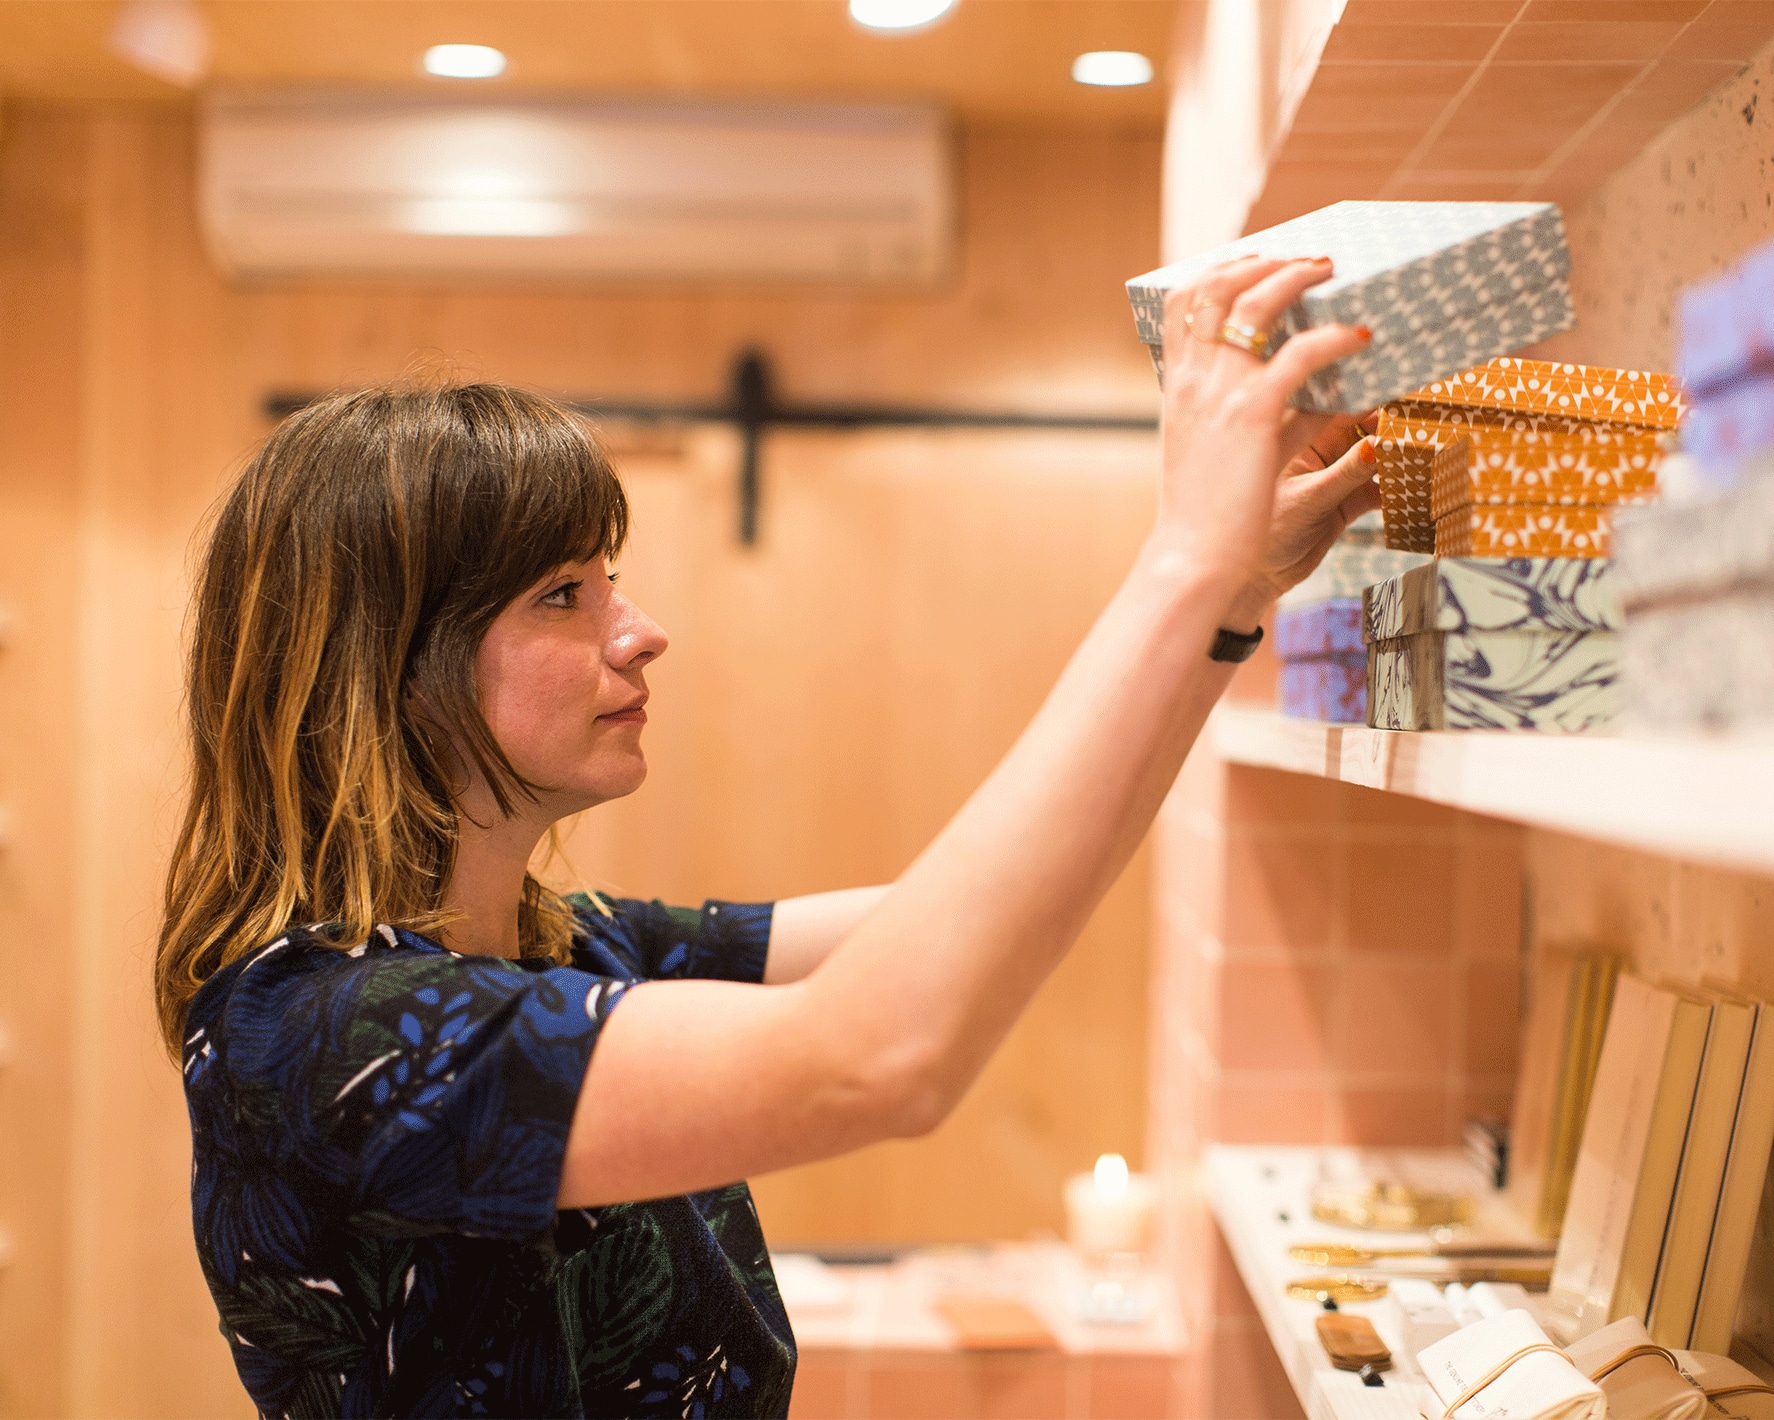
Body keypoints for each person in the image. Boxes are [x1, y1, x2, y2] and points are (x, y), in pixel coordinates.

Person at [154, 255, 1378, 1418]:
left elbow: (946, 922)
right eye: (563, 595)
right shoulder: (325, 1034)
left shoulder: (566, 950)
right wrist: (1180, 566)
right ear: (393, 667)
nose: (641, 632)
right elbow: (874, 1055)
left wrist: (1232, 598)